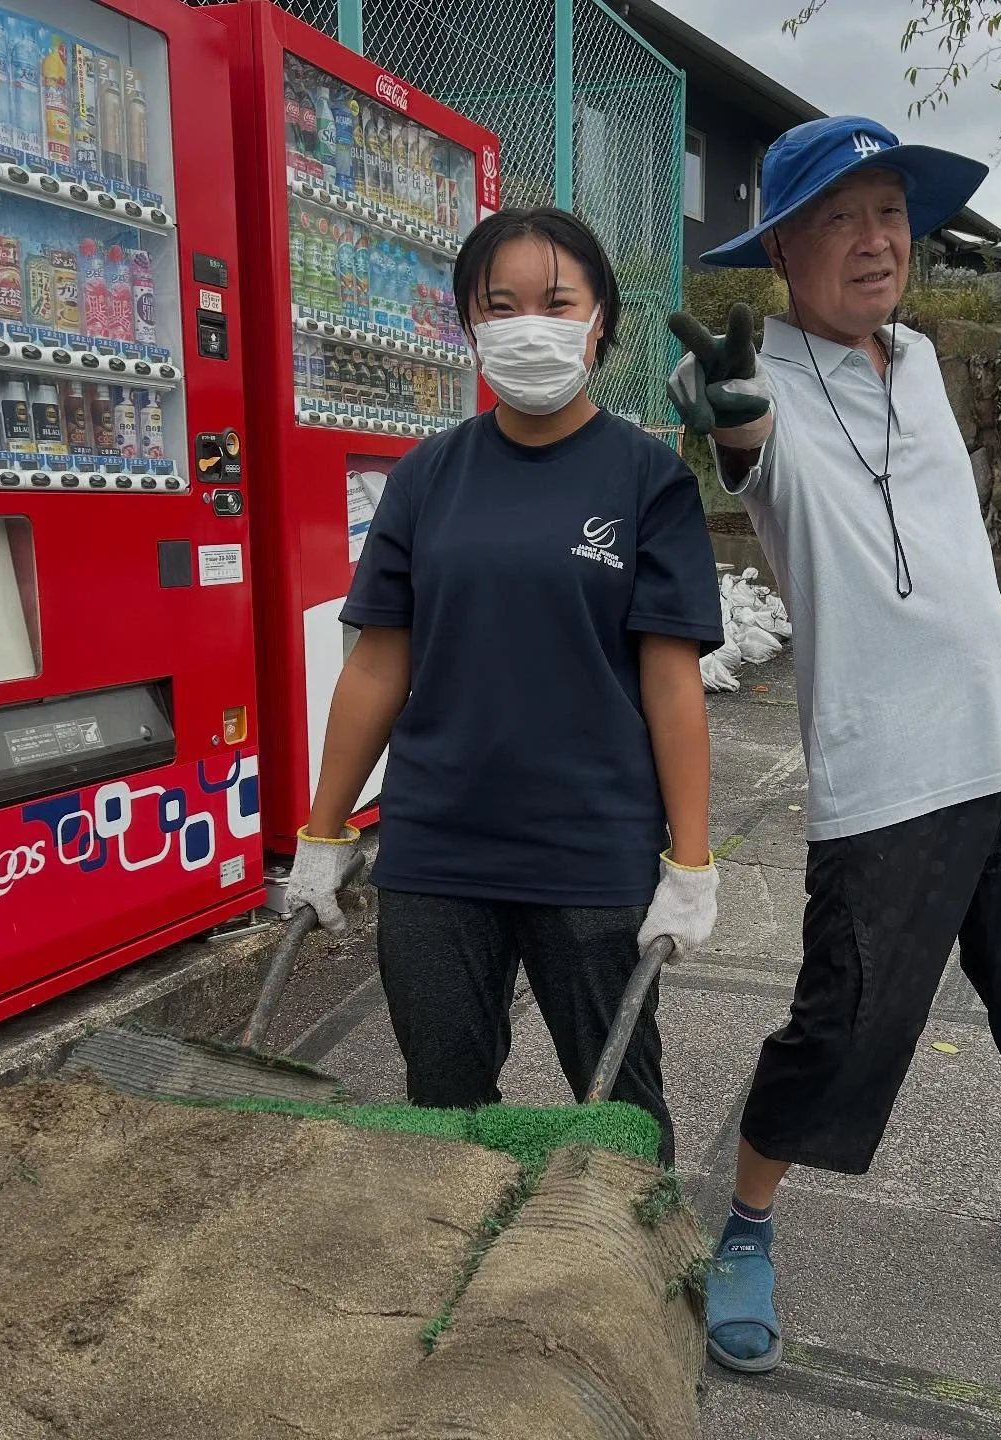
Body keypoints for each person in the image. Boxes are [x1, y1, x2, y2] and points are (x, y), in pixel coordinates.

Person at [667, 115, 1001, 1373]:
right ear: (781, 247)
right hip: (886, 773)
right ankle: (750, 1226)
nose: (876, 240)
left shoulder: (922, 360)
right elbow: (731, 432)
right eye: (840, 216)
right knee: (847, 1022)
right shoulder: (752, 374)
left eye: (890, 213)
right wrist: (719, 410)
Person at [286, 207, 725, 1166]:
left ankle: (638, 1295)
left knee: (619, 1118)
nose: (531, 323)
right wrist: (323, 832)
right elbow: (375, 665)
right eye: (502, 304)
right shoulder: (426, 479)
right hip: (437, 850)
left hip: (592, 854)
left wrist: (689, 862)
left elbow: (671, 683)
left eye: (557, 301)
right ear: (470, 324)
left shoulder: (647, 480)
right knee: (444, 1114)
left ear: (599, 319)